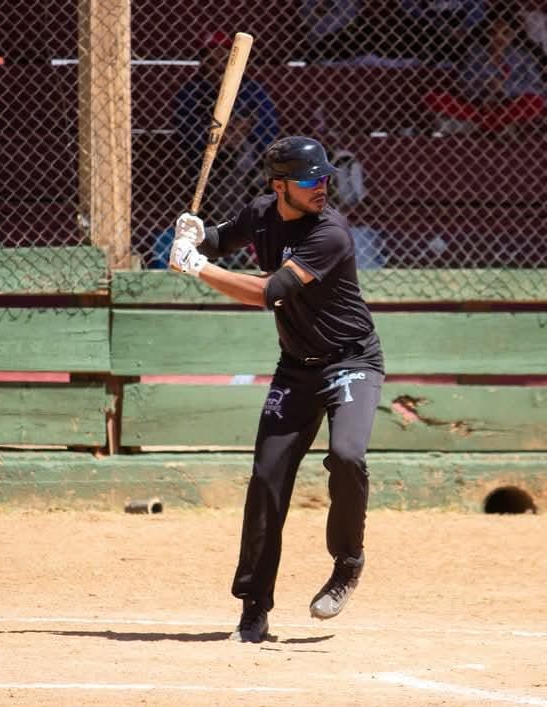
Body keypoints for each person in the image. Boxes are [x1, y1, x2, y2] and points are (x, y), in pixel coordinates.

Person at [168, 136, 385, 643]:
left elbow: (269, 292)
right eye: (311, 181)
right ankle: (254, 605)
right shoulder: (262, 212)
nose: (322, 188)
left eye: (326, 179)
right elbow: (221, 238)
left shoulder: (330, 232)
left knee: (348, 457)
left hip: (351, 360)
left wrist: (196, 266)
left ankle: (347, 561)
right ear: (279, 185)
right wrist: (194, 235)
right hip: (297, 368)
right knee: (267, 479)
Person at [166, 30, 280, 269]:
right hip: (202, 161)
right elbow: (187, 132)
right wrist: (222, 135)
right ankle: (224, 244)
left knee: (239, 161)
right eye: (211, 58)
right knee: (227, 163)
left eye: (223, 58)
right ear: (202, 61)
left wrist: (242, 133)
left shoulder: (251, 90)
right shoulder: (191, 92)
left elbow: (269, 131)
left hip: (248, 162)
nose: (217, 64)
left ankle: (234, 245)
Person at [424, 7, 545, 134]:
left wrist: (504, 88)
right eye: (492, 32)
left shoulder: (524, 56)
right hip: (478, 105)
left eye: (505, 33)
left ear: (514, 33)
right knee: (434, 98)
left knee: (534, 102)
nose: (498, 38)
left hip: (509, 103)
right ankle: (496, 127)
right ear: (486, 33)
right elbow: (462, 82)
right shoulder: (475, 52)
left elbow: (536, 87)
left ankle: (476, 126)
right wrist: (485, 89)